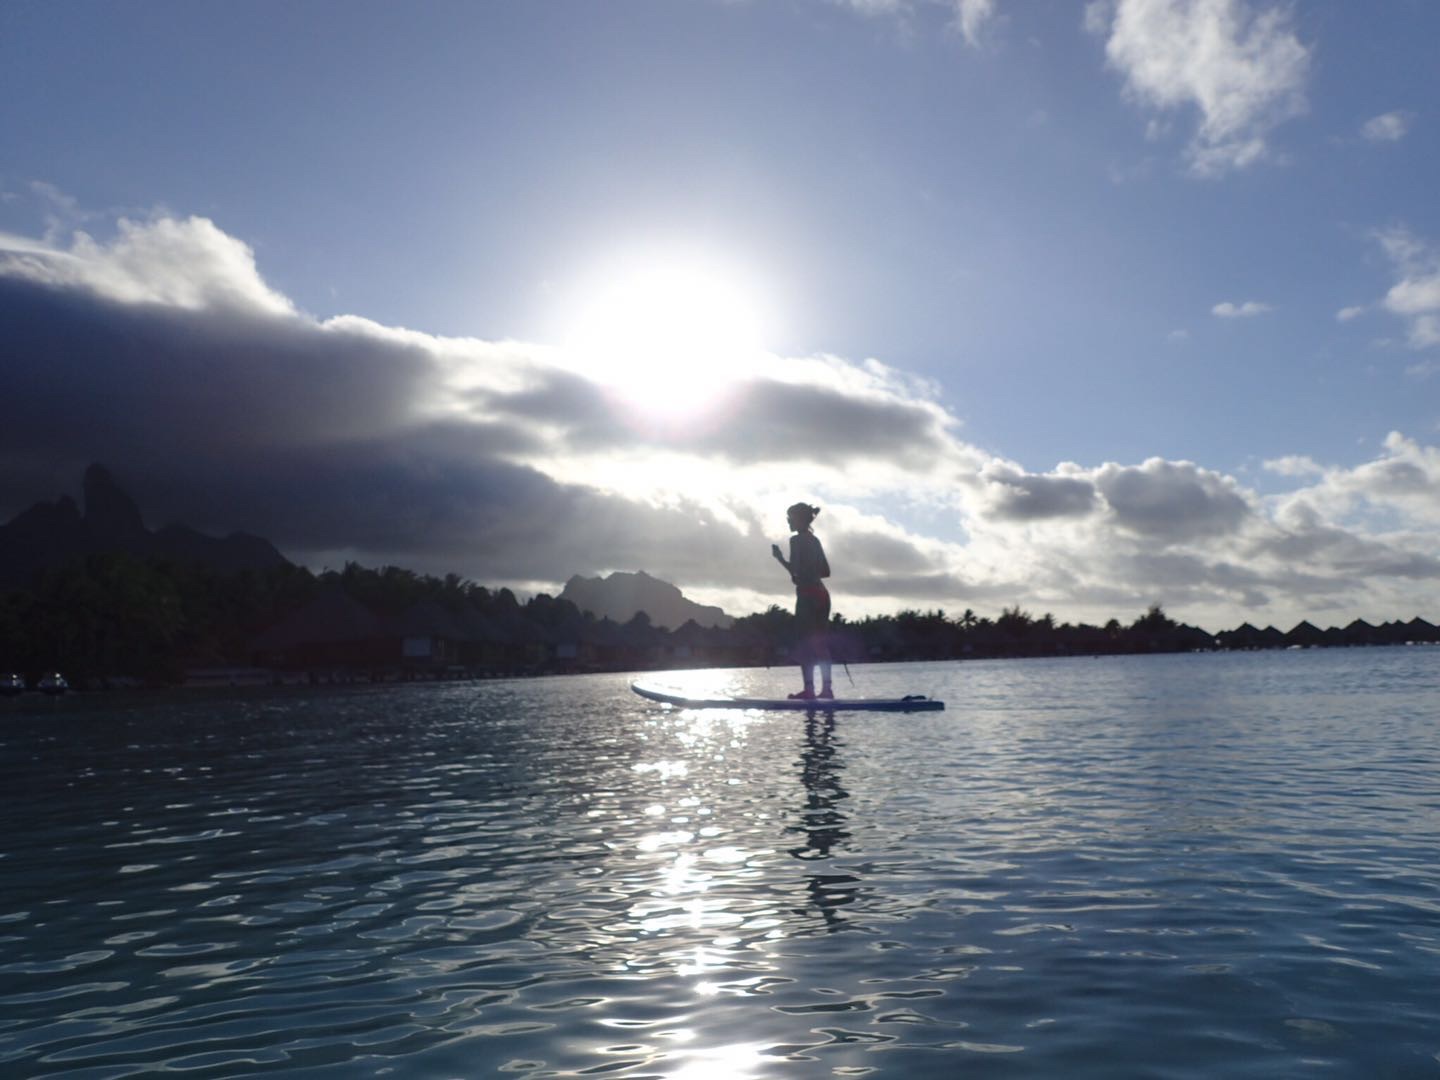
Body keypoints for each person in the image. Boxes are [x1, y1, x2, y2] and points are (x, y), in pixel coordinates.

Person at [771, 502, 833, 700]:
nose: (788, 521)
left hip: (808, 595)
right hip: (822, 594)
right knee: (820, 644)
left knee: (805, 644)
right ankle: (827, 689)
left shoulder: (796, 541)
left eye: (790, 518)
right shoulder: (814, 540)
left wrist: (779, 559)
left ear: (799, 519)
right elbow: (826, 572)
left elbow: (796, 574)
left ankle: (809, 690)